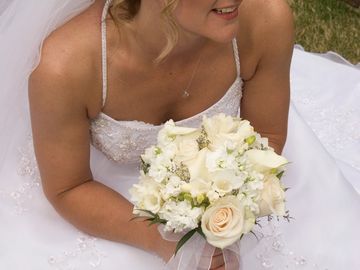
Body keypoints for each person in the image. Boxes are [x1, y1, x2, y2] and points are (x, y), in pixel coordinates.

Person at [0, 0, 359, 269]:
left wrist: (228, 211)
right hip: (109, 201)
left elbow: (266, 135)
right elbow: (69, 186)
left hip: (226, 173)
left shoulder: (264, 19)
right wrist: (171, 242)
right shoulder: (66, 67)